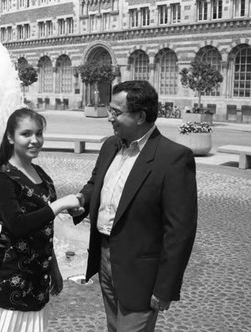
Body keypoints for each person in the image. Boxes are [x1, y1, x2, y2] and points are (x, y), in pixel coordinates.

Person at [72, 80, 198, 331]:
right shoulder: (110, 145)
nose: (109, 117)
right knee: (113, 326)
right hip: (105, 257)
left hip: (141, 272)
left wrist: (165, 287)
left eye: (116, 112)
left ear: (140, 116)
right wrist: (81, 201)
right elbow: (95, 183)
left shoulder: (173, 158)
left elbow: (179, 231)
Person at [0, 108, 83, 332]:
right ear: (10, 137)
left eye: (39, 133)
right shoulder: (3, 178)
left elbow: (43, 227)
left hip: (37, 276)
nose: (35, 140)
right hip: (9, 275)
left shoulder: (41, 174)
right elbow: (17, 224)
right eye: (26, 134)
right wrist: (59, 204)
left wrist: (53, 267)